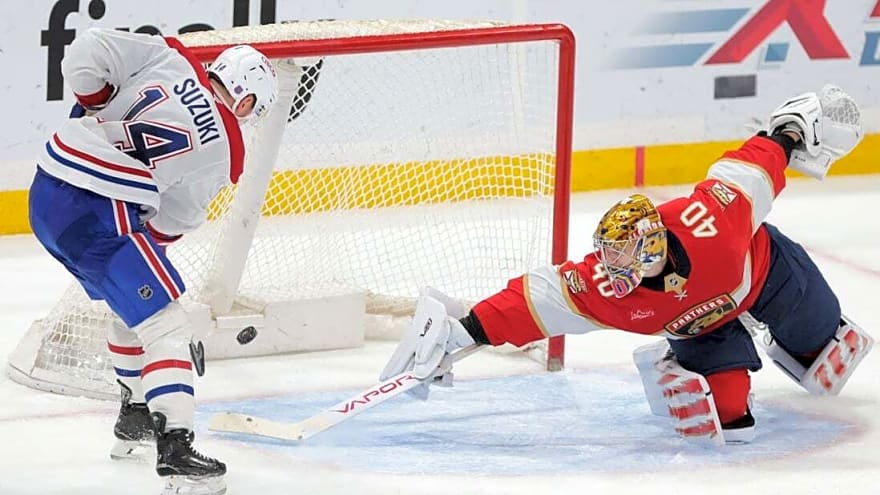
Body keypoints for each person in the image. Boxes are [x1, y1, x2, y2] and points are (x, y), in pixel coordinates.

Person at [381, 85, 874, 445]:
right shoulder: (602, 284)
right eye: (607, 253)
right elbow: (536, 299)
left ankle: (793, 329)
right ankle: (666, 363)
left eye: (621, 256)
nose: (608, 267)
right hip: (702, 328)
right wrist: (465, 331)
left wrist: (790, 129)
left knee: (826, 352)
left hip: (766, 275)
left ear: (652, 248)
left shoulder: (717, 222)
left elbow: (755, 165)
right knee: (730, 420)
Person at [28, 28, 278, 494]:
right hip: (97, 211)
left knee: (137, 310)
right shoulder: (227, 154)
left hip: (46, 190)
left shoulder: (173, 57)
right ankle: (177, 450)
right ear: (244, 105)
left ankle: (135, 419)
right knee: (167, 326)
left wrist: (98, 102)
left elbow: (84, 53)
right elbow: (172, 220)